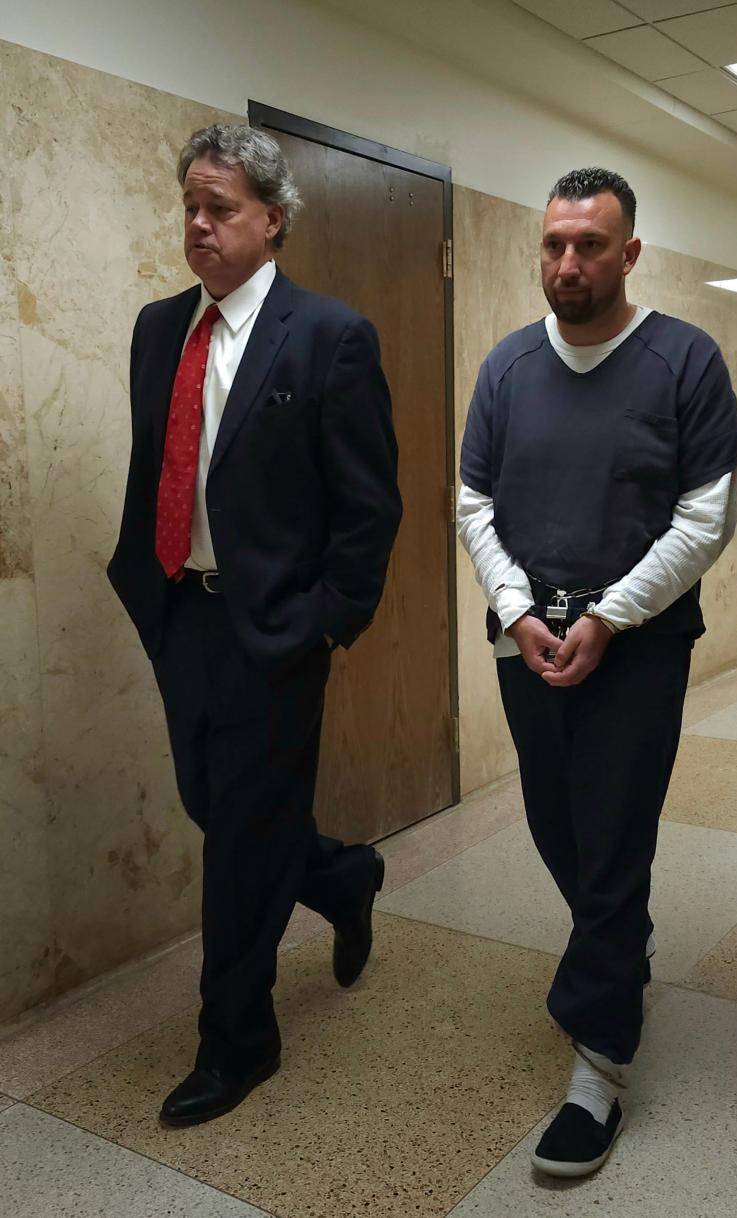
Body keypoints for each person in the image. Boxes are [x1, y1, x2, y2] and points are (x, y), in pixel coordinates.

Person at [457, 167, 737, 1178]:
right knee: (562, 831)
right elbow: (473, 505)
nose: (568, 263)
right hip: (527, 645)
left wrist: (613, 614)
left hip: (638, 649)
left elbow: (706, 518)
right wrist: (518, 610)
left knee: (615, 837)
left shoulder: (684, 361)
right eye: (554, 244)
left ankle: (600, 1060)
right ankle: (615, 954)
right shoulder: (505, 370)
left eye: (590, 245)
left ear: (630, 253)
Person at [108, 124, 402, 1127]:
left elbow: (370, 506)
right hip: (179, 612)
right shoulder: (159, 330)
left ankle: (239, 1040)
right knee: (217, 807)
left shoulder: (328, 336)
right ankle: (347, 875)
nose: (198, 223)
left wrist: (330, 622)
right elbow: (162, 468)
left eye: (220, 207)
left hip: (275, 629)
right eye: (190, 204)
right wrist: (146, 588)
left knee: (239, 848)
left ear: (272, 220)